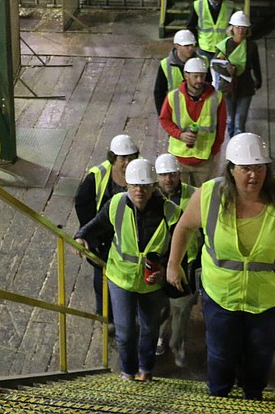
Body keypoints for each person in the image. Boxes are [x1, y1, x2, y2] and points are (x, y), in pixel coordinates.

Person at [166, 133, 275, 400]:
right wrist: (174, 264)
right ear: (231, 169)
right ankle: (219, 396)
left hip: (266, 298)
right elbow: (184, 226)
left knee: (261, 353)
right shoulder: (209, 196)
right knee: (220, 352)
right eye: (245, 168)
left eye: (259, 168)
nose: (253, 176)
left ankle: (253, 396)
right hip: (221, 296)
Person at [75, 158, 178, 382]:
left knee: (150, 330)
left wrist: (169, 265)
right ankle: (128, 372)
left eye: (144, 185)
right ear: (127, 186)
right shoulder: (116, 204)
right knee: (125, 332)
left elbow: (182, 244)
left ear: (153, 186)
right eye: (134, 185)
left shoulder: (170, 211)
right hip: (120, 277)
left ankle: (145, 369)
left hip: (152, 282)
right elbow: (97, 223)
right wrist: (81, 236)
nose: (139, 190)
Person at [74, 133, 140, 323]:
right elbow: (82, 203)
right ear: (113, 158)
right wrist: (89, 234)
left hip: (130, 238)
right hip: (103, 240)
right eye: (123, 158)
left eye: (131, 157)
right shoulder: (98, 175)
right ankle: (107, 317)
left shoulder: (141, 169)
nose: (128, 162)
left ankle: (128, 314)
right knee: (102, 278)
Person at [154, 153, 198, 368]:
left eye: (171, 174)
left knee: (182, 307)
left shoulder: (194, 196)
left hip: (185, 262)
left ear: (179, 174)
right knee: (160, 305)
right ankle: (161, 336)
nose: (168, 179)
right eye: (163, 175)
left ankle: (177, 342)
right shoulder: (151, 197)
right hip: (159, 263)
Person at [158, 57, 227, 186]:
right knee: (179, 197)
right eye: (195, 77)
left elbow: (221, 127)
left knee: (201, 198)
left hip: (205, 160)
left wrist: (214, 152)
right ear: (186, 75)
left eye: (202, 76)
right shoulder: (173, 97)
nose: (199, 80)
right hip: (179, 158)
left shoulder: (216, 98)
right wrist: (180, 135)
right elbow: (164, 119)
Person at [213, 10, 262, 138]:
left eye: (243, 27)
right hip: (227, 87)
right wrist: (227, 71)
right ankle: (232, 147)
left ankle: (237, 153)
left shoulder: (251, 46)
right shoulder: (224, 46)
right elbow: (215, 64)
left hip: (245, 86)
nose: (240, 30)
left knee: (239, 122)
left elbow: (256, 63)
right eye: (238, 27)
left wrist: (258, 80)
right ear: (232, 28)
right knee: (230, 120)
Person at [186, 0, 235, 64]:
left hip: (222, 48)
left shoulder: (229, 6)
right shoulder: (198, 5)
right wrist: (195, 44)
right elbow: (190, 26)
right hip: (204, 48)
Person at [153, 30, 199, 114]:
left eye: (192, 45)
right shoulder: (165, 65)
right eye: (186, 45)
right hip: (175, 112)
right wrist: (162, 115)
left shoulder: (202, 62)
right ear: (176, 46)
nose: (191, 48)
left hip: (196, 111)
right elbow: (159, 92)